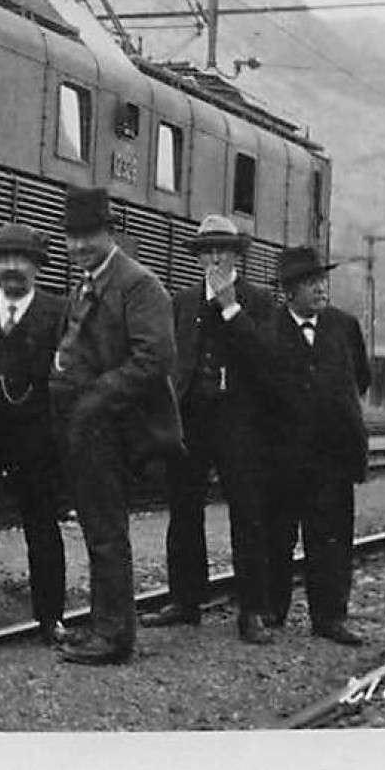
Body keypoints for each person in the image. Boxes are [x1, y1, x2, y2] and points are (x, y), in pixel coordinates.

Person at [48, 188, 178, 665]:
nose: (80, 245)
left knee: (106, 530)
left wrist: (93, 398)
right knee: (97, 526)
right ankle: (105, 624)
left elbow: (155, 358)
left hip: (114, 427)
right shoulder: (89, 281)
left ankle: (115, 635)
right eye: (72, 237)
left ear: (109, 233)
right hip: (87, 427)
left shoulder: (138, 284)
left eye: (89, 235)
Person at [145, 213, 281, 645]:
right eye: (208, 251)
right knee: (184, 510)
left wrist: (230, 307)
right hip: (192, 417)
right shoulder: (182, 302)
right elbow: (171, 358)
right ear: (199, 257)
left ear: (237, 255)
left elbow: (265, 360)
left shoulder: (259, 301)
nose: (215, 258)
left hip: (239, 421)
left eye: (223, 250)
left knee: (248, 512)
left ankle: (253, 610)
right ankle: (185, 600)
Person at [0, 223, 69, 643]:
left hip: (34, 438)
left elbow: (65, 374)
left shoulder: (57, 313)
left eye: (21, 261)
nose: (12, 269)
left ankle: (50, 617)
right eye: (4, 261)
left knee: (41, 523)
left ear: (37, 267)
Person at [264, 246, 371, 646]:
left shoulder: (345, 326)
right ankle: (273, 610)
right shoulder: (269, 327)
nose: (320, 288)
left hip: (332, 456)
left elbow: (359, 378)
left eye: (322, 280)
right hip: (282, 455)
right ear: (289, 291)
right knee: (277, 535)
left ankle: (330, 617)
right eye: (311, 282)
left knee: (331, 538)